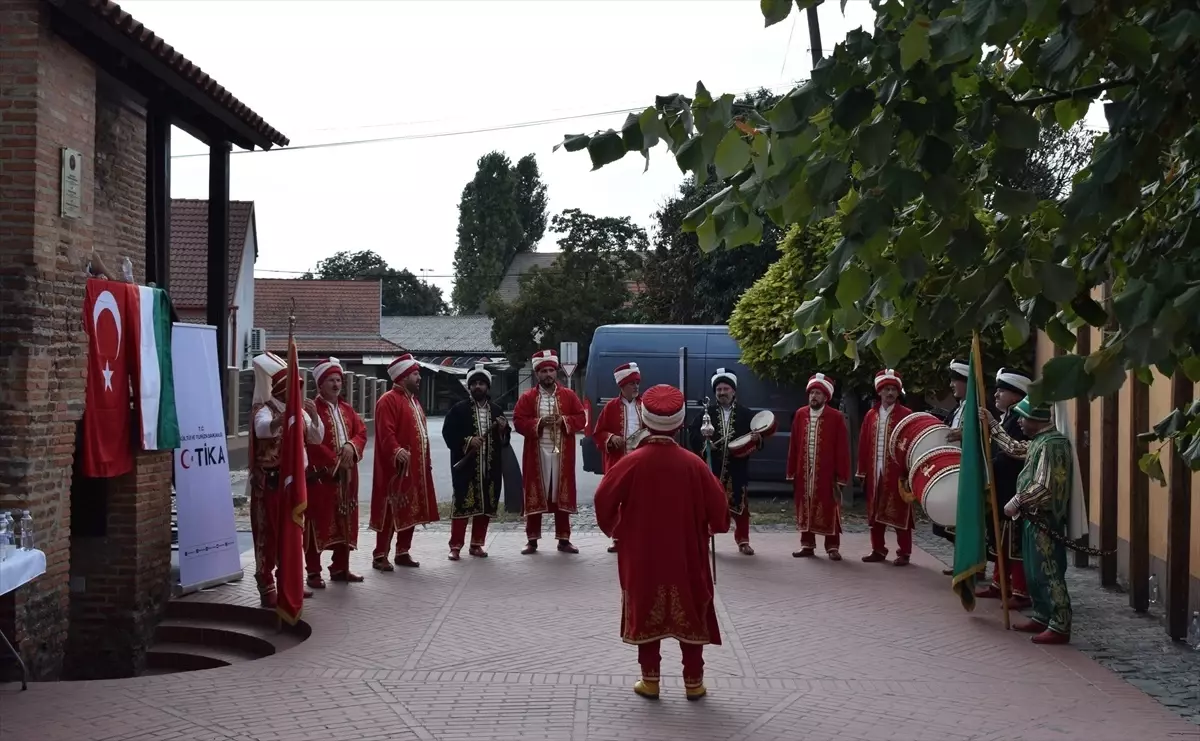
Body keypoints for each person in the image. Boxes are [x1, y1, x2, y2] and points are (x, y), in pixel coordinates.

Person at [595, 384, 731, 701]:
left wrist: (616, 528)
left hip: (642, 554)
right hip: (687, 554)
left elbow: (603, 498)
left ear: (645, 420)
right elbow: (720, 508)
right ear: (680, 423)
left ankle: (651, 679)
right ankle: (694, 681)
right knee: (692, 607)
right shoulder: (695, 464)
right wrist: (715, 525)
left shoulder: (631, 462)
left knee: (645, 605)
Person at [986, 399, 1077, 645]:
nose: (1020, 422)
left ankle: (1060, 622)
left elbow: (1045, 485)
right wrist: (993, 426)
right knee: (1034, 572)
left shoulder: (1054, 444)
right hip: (1032, 517)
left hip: (1044, 519)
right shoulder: (1040, 441)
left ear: (1038, 419)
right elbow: (1015, 448)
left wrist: (1017, 500)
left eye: (1024, 418)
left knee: (1049, 571)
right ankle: (1042, 614)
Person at [247, 351, 324, 608]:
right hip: (271, 484)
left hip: (294, 485)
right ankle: (267, 585)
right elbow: (262, 429)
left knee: (292, 535)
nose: (299, 392)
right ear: (281, 389)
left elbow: (316, 438)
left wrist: (313, 417)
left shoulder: (300, 412)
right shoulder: (264, 410)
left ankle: (289, 584)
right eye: (295, 387)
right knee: (268, 536)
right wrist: (284, 418)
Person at [513, 349, 587, 554]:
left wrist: (564, 421)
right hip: (537, 451)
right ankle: (532, 540)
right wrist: (538, 423)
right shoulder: (527, 397)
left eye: (551, 370)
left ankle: (564, 539)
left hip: (562, 453)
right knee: (536, 492)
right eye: (543, 371)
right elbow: (518, 421)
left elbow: (581, 418)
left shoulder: (569, 395)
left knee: (561, 493)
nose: (548, 374)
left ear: (557, 372)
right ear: (537, 374)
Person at [369, 353, 439, 570]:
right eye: (415, 374)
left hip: (415, 467)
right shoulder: (388, 400)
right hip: (395, 468)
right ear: (403, 376)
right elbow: (385, 432)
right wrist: (396, 450)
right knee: (390, 509)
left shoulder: (414, 401)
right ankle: (380, 554)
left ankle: (403, 551)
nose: (419, 378)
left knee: (412, 507)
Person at [304, 357, 367, 588]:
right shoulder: (311, 409)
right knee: (318, 522)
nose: (336, 384)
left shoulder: (347, 409)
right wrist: (337, 461)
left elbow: (361, 431)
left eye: (338, 380)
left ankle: (341, 567)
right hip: (323, 478)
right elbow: (311, 441)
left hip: (348, 479)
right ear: (320, 384)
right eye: (330, 380)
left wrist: (352, 447)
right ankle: (313, 572)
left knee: (346, 520)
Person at [688, 368, 762, 556]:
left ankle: (743, 540)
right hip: (712, 468)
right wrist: (706, 445)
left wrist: (756, 438)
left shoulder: (746, 414)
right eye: (718, 389)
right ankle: (705, 538)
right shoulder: (707, 413)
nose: (721, 393)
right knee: (707, 505)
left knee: (741, 505)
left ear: (734, 391)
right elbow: (694, 433)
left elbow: (759, 439)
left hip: (737, 468)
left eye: (725, 389)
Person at [975, 367, 1032, 608]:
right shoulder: (1007, 418)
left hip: (1015, 487)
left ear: (1017, 395)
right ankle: (1000, 583)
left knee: (1014, 543)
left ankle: (1020, 590)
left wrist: (992, 427)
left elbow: (1016, 449)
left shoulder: (1020, 421)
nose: (996, 395)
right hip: (1002, 487)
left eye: (1002, 391)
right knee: (1001, 539)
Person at [441, 363, 510, 560]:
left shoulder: (497, 410)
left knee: (486, 507)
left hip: (490, 468)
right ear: (469, 387)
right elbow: (448, 434)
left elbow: (506, 440)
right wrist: (468, 440)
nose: (478, 387)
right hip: (466, 468)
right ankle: (455, 546)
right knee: (462, 505)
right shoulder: (458, 410)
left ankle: (477, 545)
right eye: (474, 384)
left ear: (488, 387)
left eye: (482, 383)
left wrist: (503, 429)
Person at [786, 373, 850, 560]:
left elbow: (842, 448)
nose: (814, 396)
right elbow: (794, 444)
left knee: (829, 507)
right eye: (812, 392)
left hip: (827, 472)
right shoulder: (800, 414)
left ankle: (832, 546)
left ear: (826, 397)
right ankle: (807, 545)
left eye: (818, 393)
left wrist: (841, 475)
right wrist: (791, 470)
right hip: (804, 470)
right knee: (805, 506)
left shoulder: (836, 417)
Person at [857, 369, 915, 566]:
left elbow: (912, 444)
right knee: (874, 512)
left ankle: (904, 552)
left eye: (893, 389)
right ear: (879, 392)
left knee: (900, 511)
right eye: (886, 389)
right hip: (875, 470)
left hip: (898, 472)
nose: (890, 393)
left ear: (899, 392)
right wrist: (862, 469)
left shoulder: (906, 415)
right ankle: (878, 549)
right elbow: (864, 443)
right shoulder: (871, 415)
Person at [590, 362, 644, 553]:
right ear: (622, 386)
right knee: (619, 499)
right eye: (632, 384)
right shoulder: (611, 407)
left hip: (641, 461)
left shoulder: (645, 405)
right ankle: (618, 537)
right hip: (618, 461)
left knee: (640, 499)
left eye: (637, 383)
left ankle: (639, 536)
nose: (636, 387)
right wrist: (611, 438)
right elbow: (598, 433)